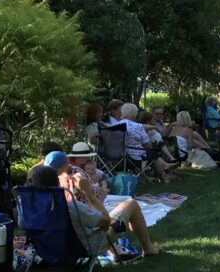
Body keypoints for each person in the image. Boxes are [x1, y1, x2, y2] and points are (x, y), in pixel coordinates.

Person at [28, 163, 161, 257]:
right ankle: (148, 249)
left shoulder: (30, 209)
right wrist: (88, 193)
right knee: (131, 203)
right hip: (84, 247)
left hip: (48, 250)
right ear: (57, 183)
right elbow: (105, 222)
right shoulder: (69, 207)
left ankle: (121, 252)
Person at [120, 103, 177, 181]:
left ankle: (164, 172)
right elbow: (147, 144)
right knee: (153, 151)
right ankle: (164, 174)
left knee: (151, 152)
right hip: (134, 158)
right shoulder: (137, 127)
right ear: (135, 114)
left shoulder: (115, 125)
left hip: (118, 157)